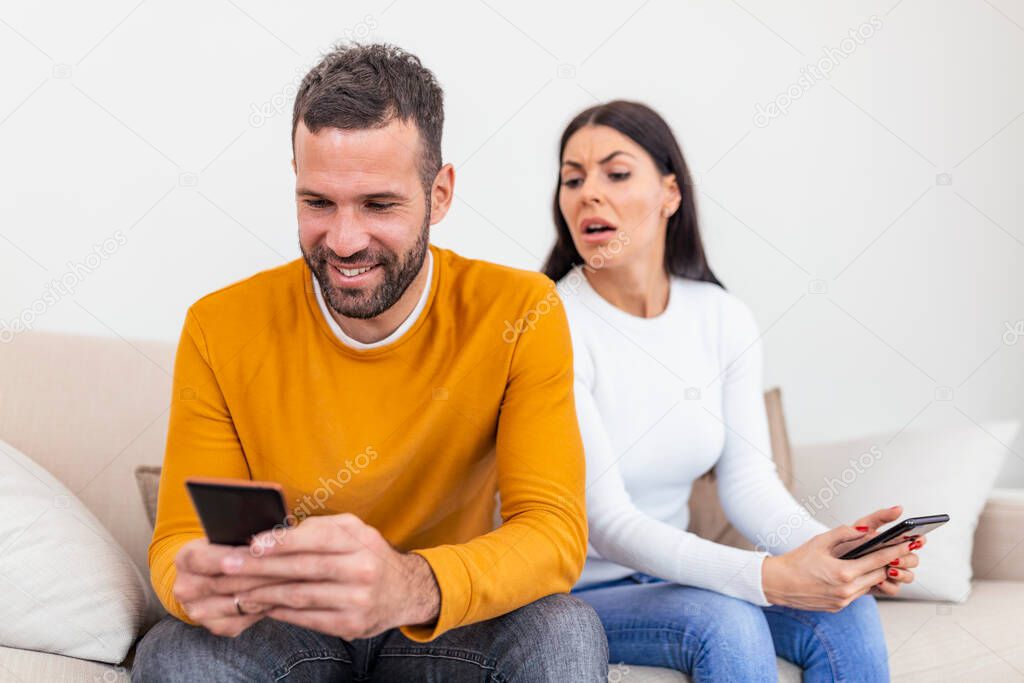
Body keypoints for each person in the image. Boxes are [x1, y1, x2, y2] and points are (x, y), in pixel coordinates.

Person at [132, 44, 608, 682]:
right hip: (288, 630)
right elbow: (177, 545)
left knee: (566, 629)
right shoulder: (219, 327)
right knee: (174, 652)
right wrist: (197, 584)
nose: (345, 240)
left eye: (379, 205)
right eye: (318, 203)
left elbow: (552, 533)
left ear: (438, 195)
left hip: (439, 622)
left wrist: (410, 585)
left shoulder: (522, 311)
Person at [546, 100, 924, 682]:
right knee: (727, 621)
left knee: (849, 615)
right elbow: (606, 523)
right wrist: (767, 578)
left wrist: (835, 551)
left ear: (670, 193)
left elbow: (747, 482)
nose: (588, 194)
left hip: (667, 576)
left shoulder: (721, 317)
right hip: (572, 591)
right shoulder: (551, 323)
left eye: (615, 173)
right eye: (573, 178)